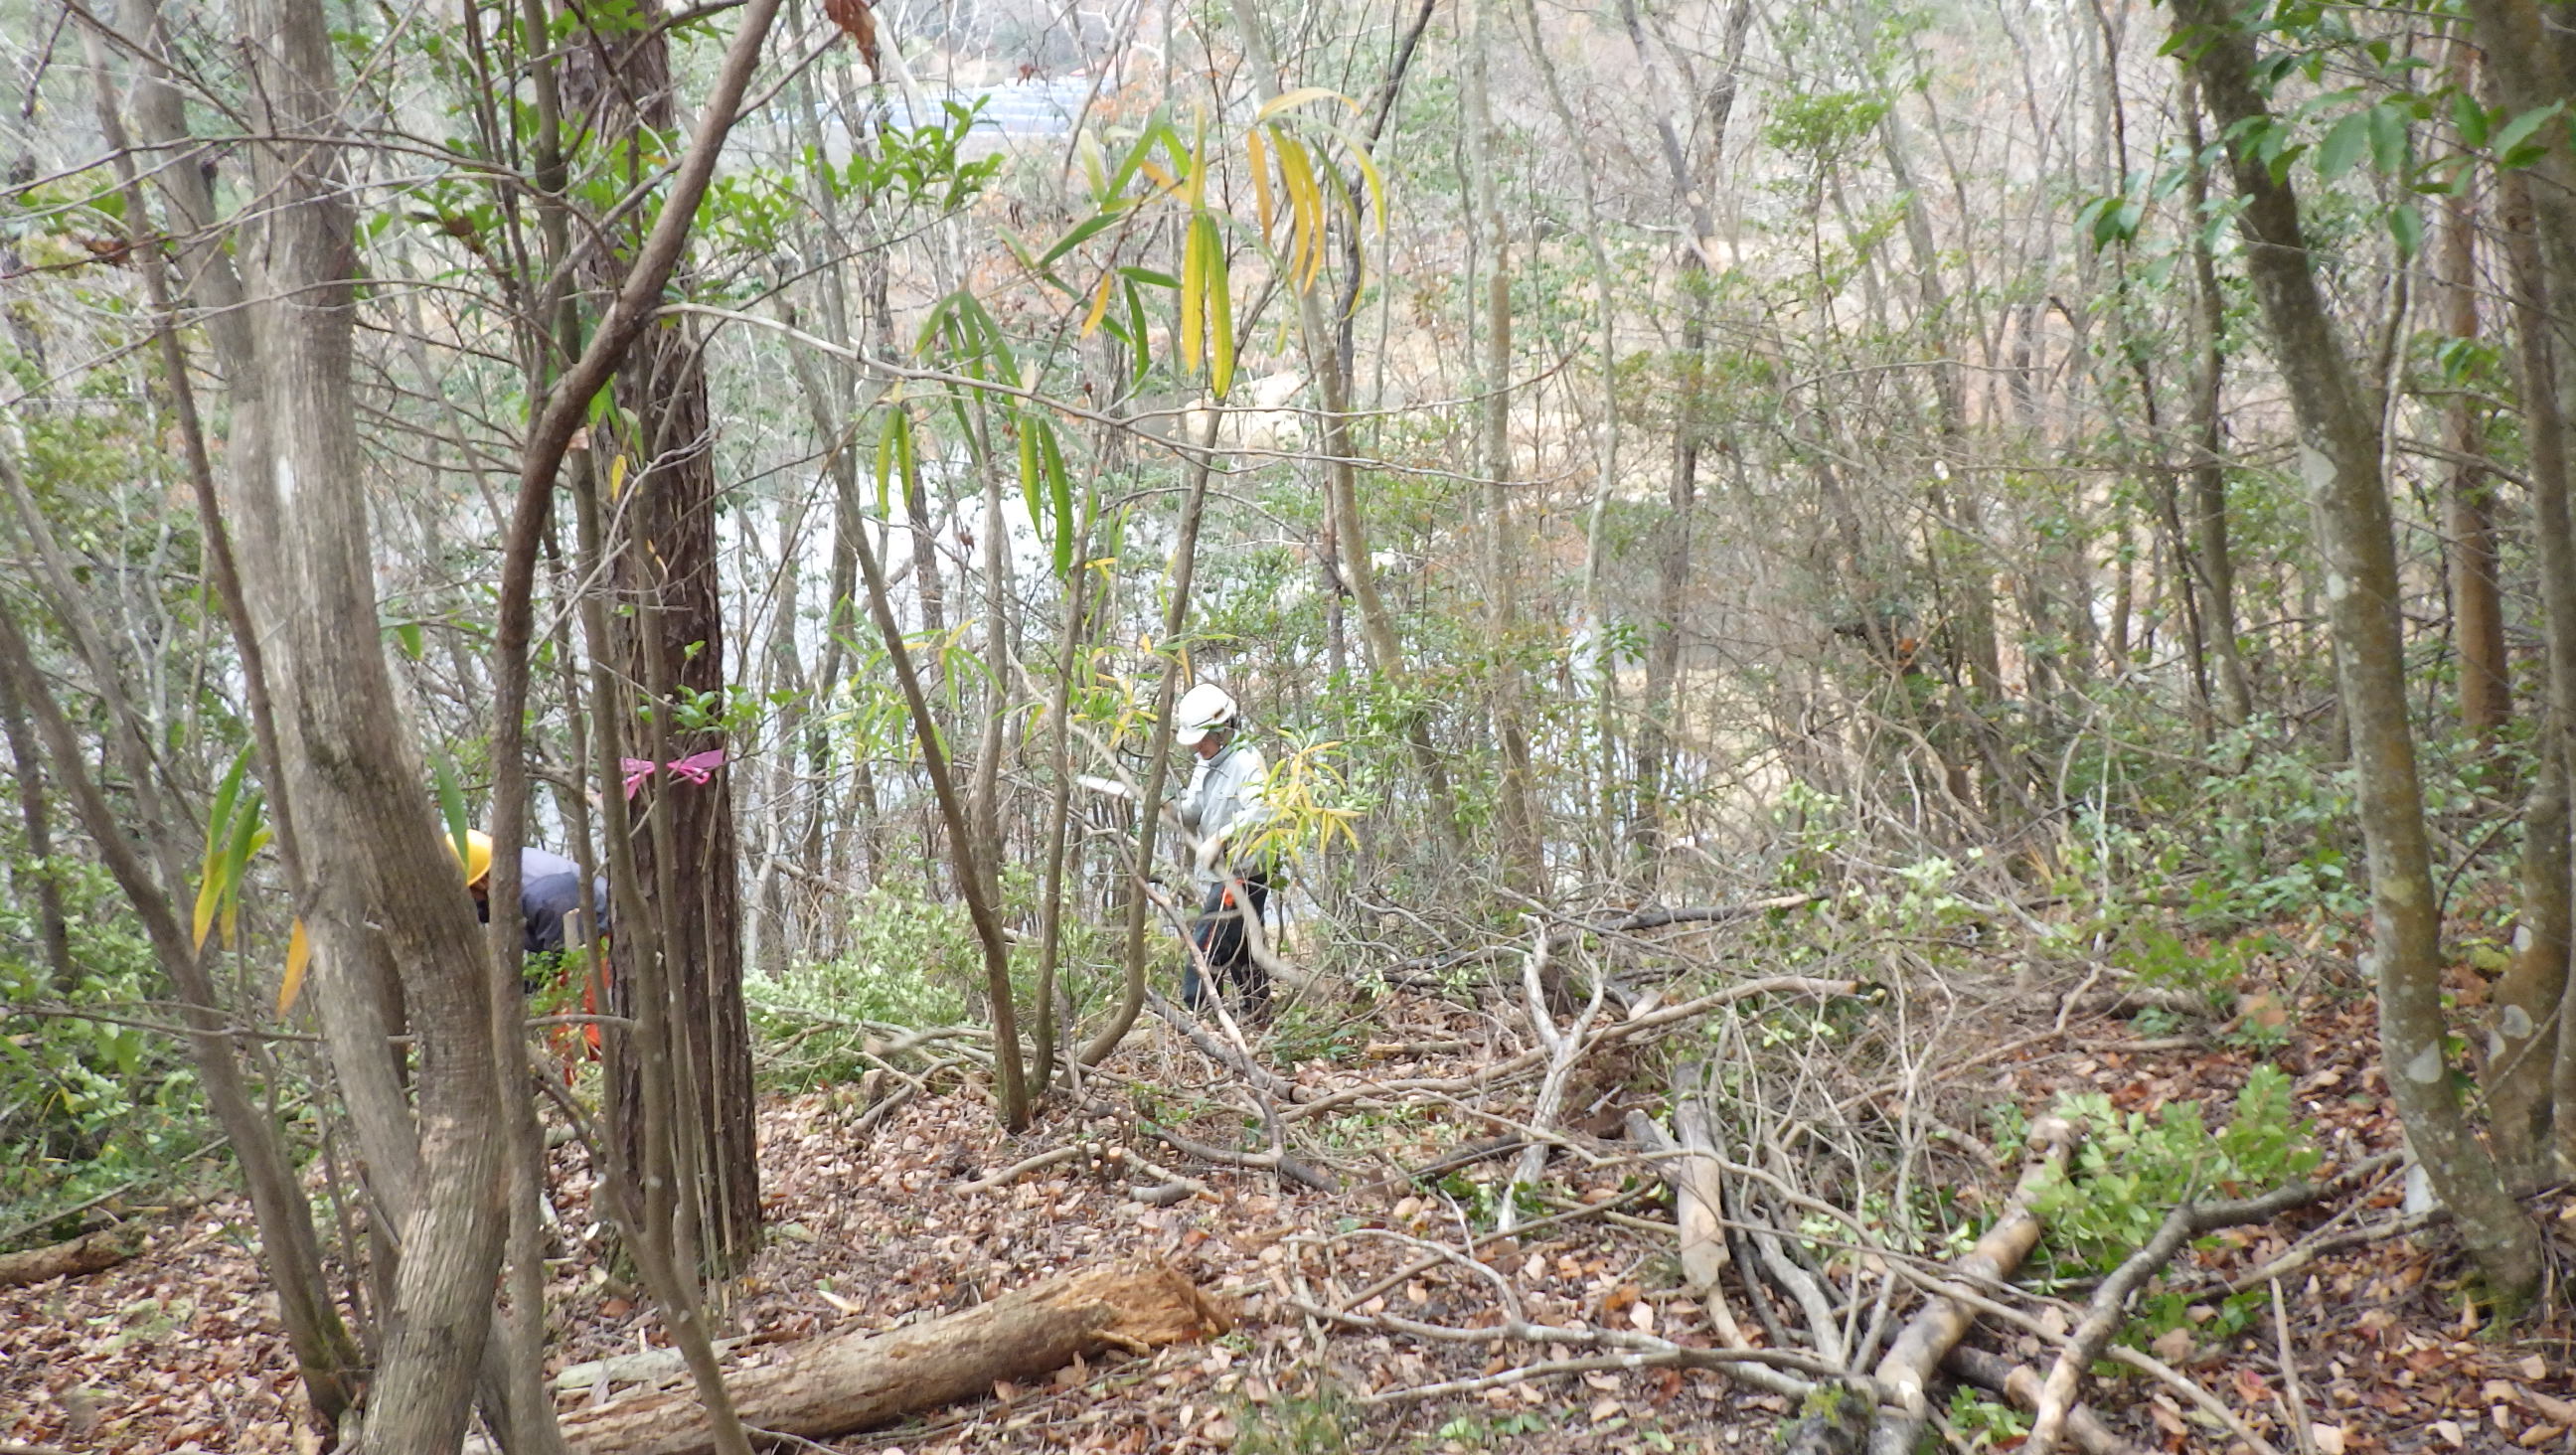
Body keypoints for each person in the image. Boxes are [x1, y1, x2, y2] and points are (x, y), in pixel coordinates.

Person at [1172, 682, 1272, 1015]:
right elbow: (1193, 811)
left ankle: (1196, 1013)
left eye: (1204, 739)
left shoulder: (1246, 761)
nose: (1198, 747)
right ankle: (1256, 1008)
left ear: (1224, 729)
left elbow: (1261, 810)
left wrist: (1221, 837)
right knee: (1242, 940)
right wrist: (1169, 809)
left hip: (1244, 869)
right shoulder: (1205, 763)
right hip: (1221, 871)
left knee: (1208, 939)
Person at [451, 830, 611, 981]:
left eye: (468, 894)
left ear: (480, 882)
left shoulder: (550, 897)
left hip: (602, 948)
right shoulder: (505, 873)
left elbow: (566, 964)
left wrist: (527, 983)